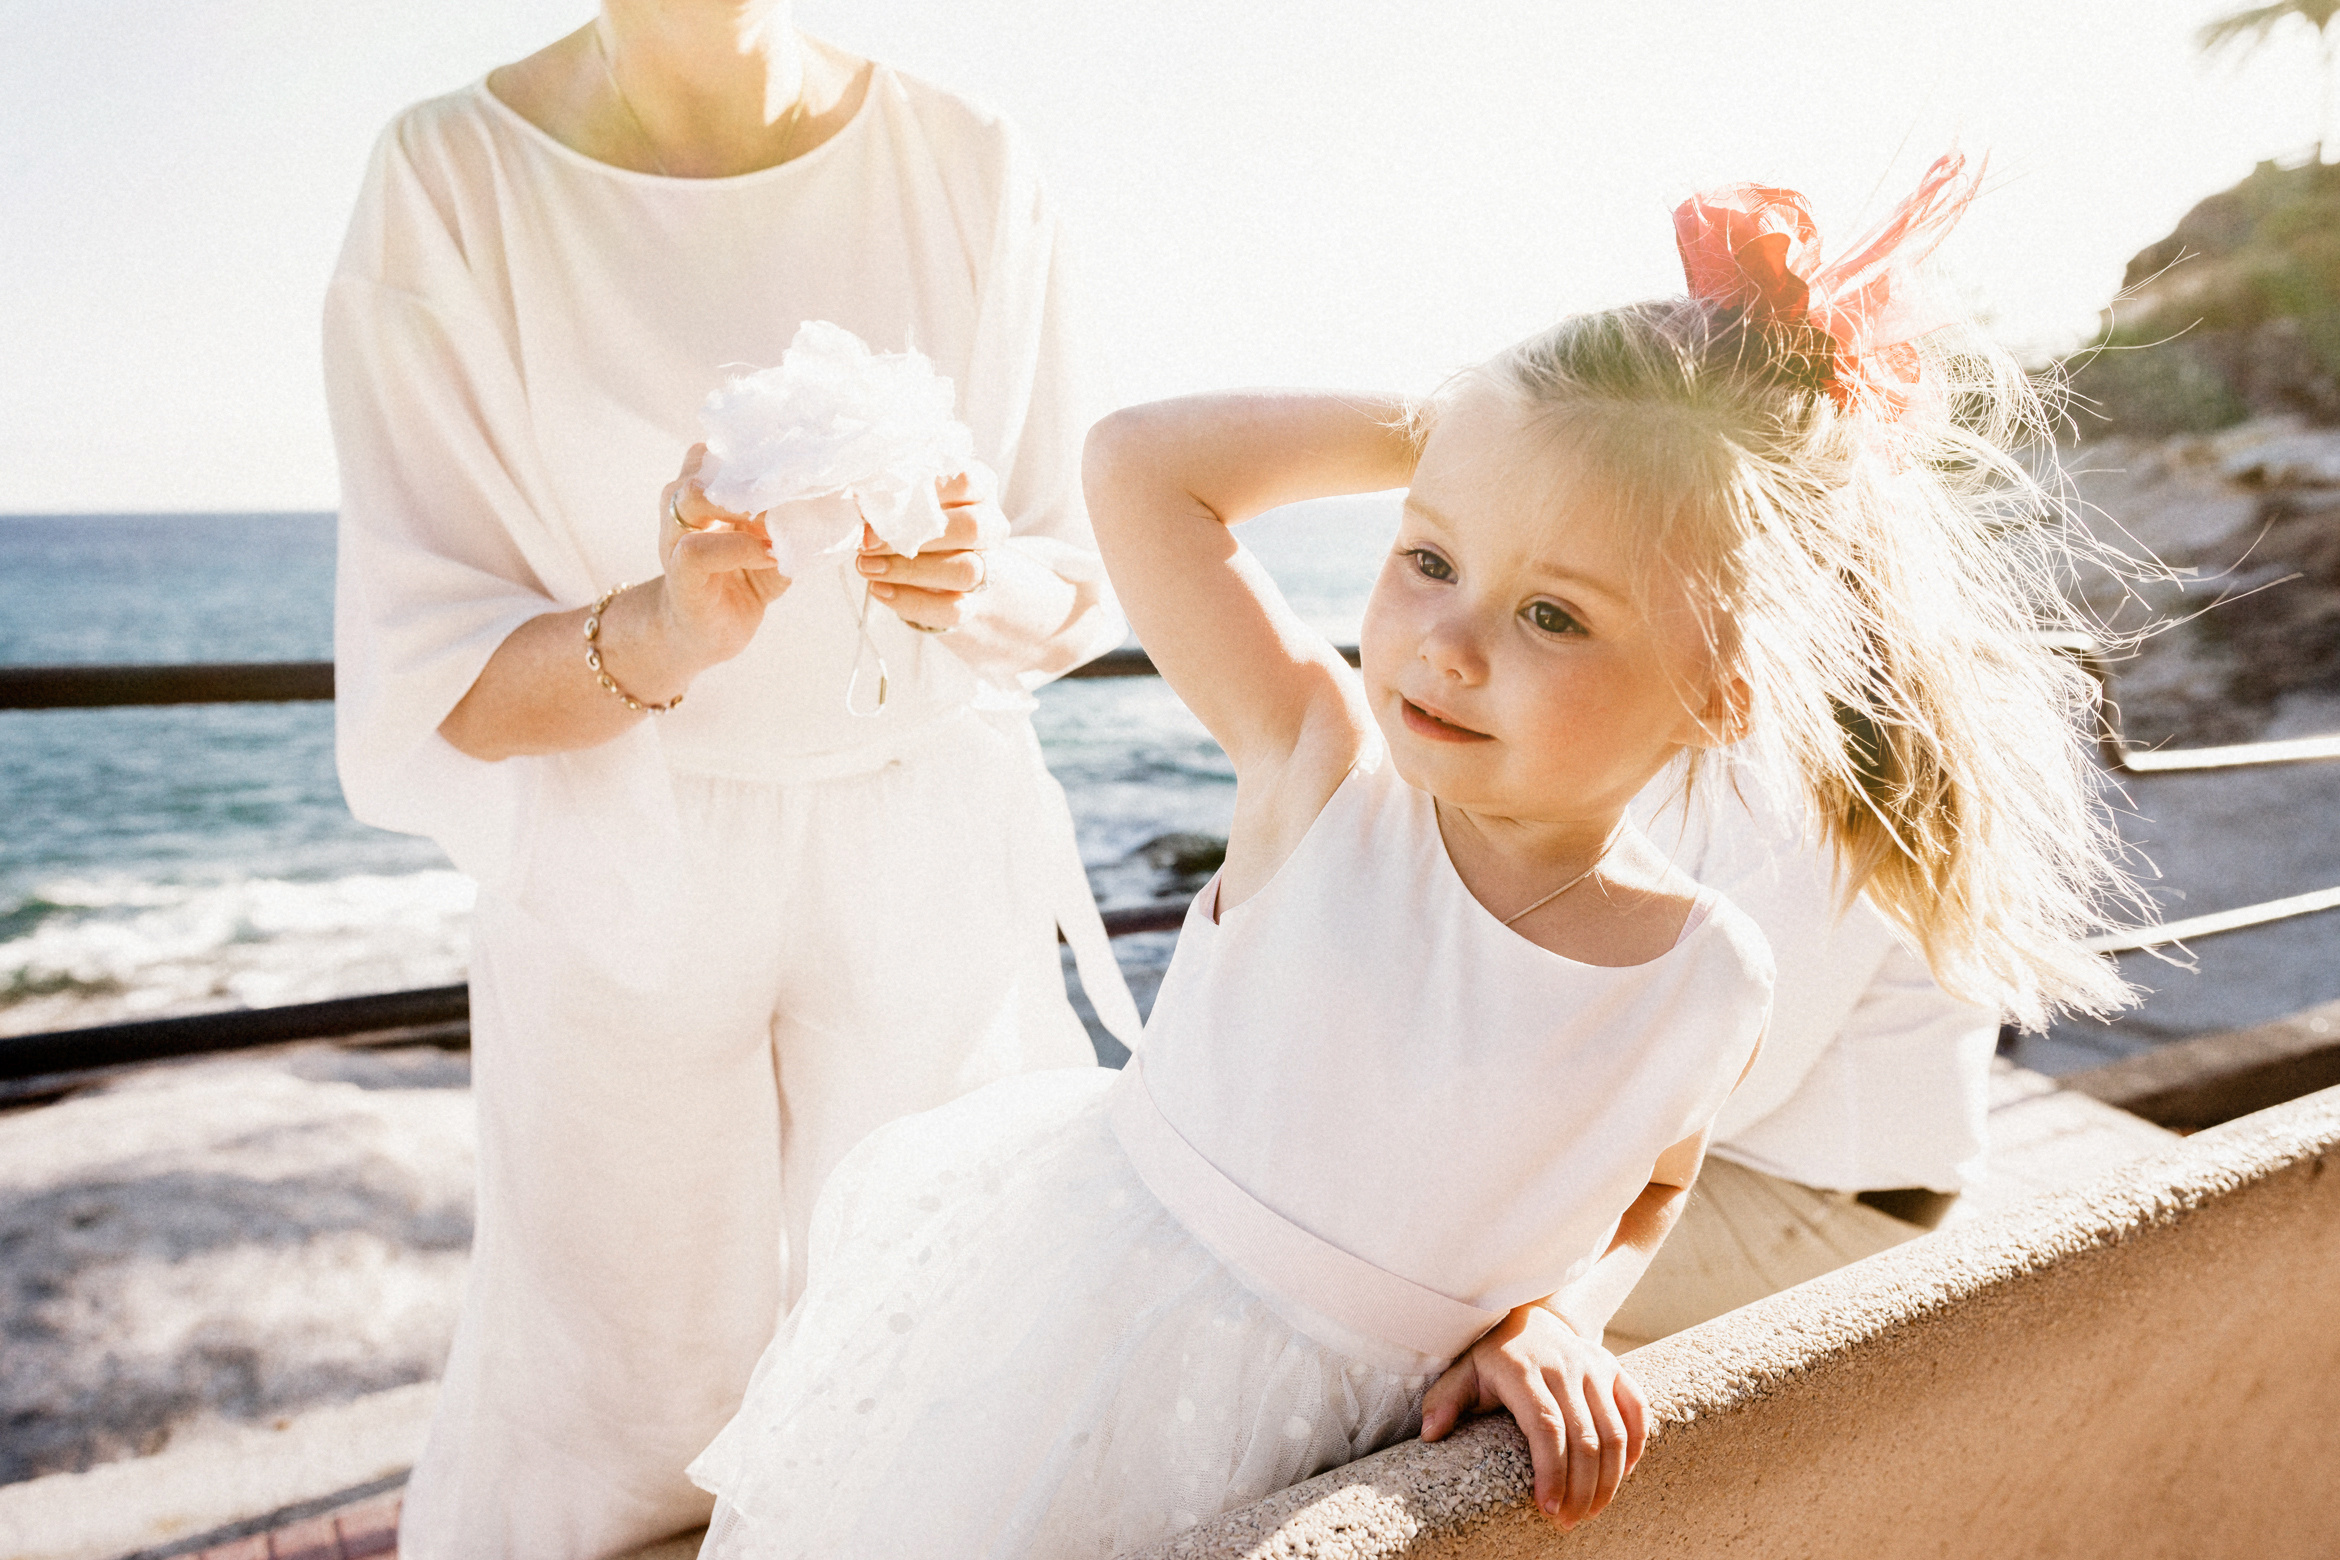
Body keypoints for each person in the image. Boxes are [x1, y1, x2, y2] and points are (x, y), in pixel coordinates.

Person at [682, 156, 2134, 1557]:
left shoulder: (1704, 975)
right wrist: (1477, 425)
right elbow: (1138, 463)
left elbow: (1650, 1188)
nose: (1447, 644)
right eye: (1430, 558)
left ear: (1720, 694)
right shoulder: (1320, 772)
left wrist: (1560, 1316)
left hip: (1348, 1451)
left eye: (1553, 616)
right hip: (1073, 1368)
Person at [322, 5, 1135, 1554]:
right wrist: (666, 627)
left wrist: (961, 577)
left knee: (943, 1378)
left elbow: (1069, 579)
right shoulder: (449, 176)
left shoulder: (967, 160)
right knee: (616, 1425)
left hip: (926, 847)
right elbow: (440, 680)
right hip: (618, 857)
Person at [1601, 776, 1998, 1349]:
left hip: (1825, 1211)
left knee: (1480, 1260)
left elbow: (1733, 1078)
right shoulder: (1745, 770)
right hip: (1743, 1169)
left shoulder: (1814, 802)